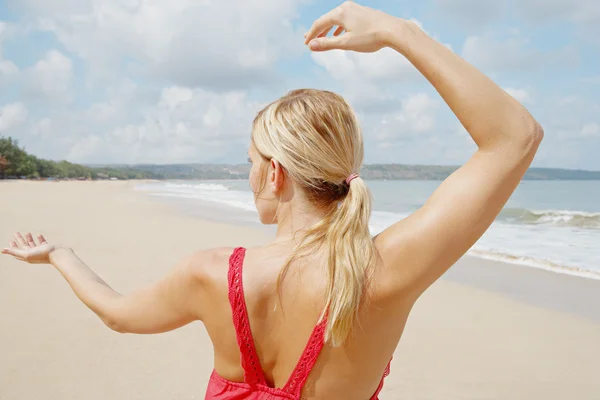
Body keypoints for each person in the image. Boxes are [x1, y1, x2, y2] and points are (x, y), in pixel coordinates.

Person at [1, 2, 543, 399]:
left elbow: (118, 314)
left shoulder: (210, 274)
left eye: (252, 160)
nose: (249, 173)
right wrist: (397, 32)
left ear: (276, 173)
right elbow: (515, 136)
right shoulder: (382, 271)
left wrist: (60, 256)